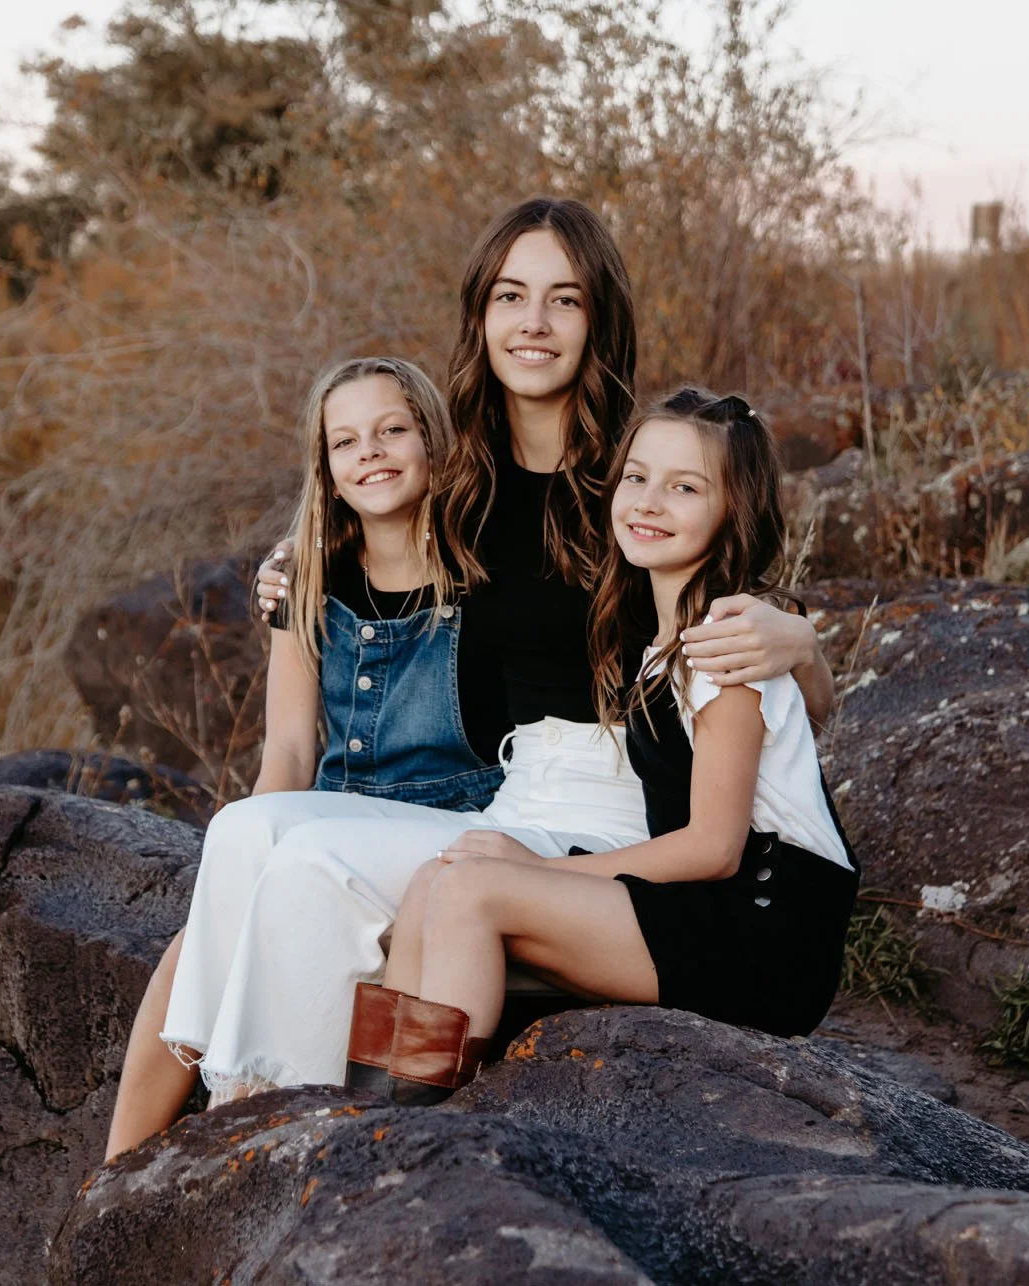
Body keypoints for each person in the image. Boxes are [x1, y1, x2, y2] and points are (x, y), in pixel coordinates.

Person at [160, 198, 836, 1110]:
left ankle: (335, 1128)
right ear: (480, 314)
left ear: (599, 317)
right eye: (512, 296)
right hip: (516, 791)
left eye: (564, 299)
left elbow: (763, 691)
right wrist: (299, 567)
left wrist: (803, 638)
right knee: (248, 833)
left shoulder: (631, 476)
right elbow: (368, 491)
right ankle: (248, 1119)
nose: (534, 322)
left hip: (617, 806)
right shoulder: (461, 477)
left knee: (324, 874)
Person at [362, 390, 858, 1102]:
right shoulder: (661, 639)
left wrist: (546, 870)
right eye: (636, 477)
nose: (650, 501)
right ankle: (375, 1102)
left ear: (733, 511)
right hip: (703, 911)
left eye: (684, 487)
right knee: (440, 876)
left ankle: (421, 1118)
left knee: (472, 889)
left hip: (764, 931)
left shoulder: (727, 645)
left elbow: (715, 849)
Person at [100, 355, 506, 1159]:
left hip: (449, 821)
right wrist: (237, 869)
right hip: (334, 808)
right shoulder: (309, 573)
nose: (373, 454)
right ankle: (115, 1179)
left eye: (393, 430)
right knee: (196, 949)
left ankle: (270, 1137)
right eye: (346, 442)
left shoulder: (485, 570)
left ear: (430, 439)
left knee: (299, 910)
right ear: (324, 467)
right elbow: (287, 750)